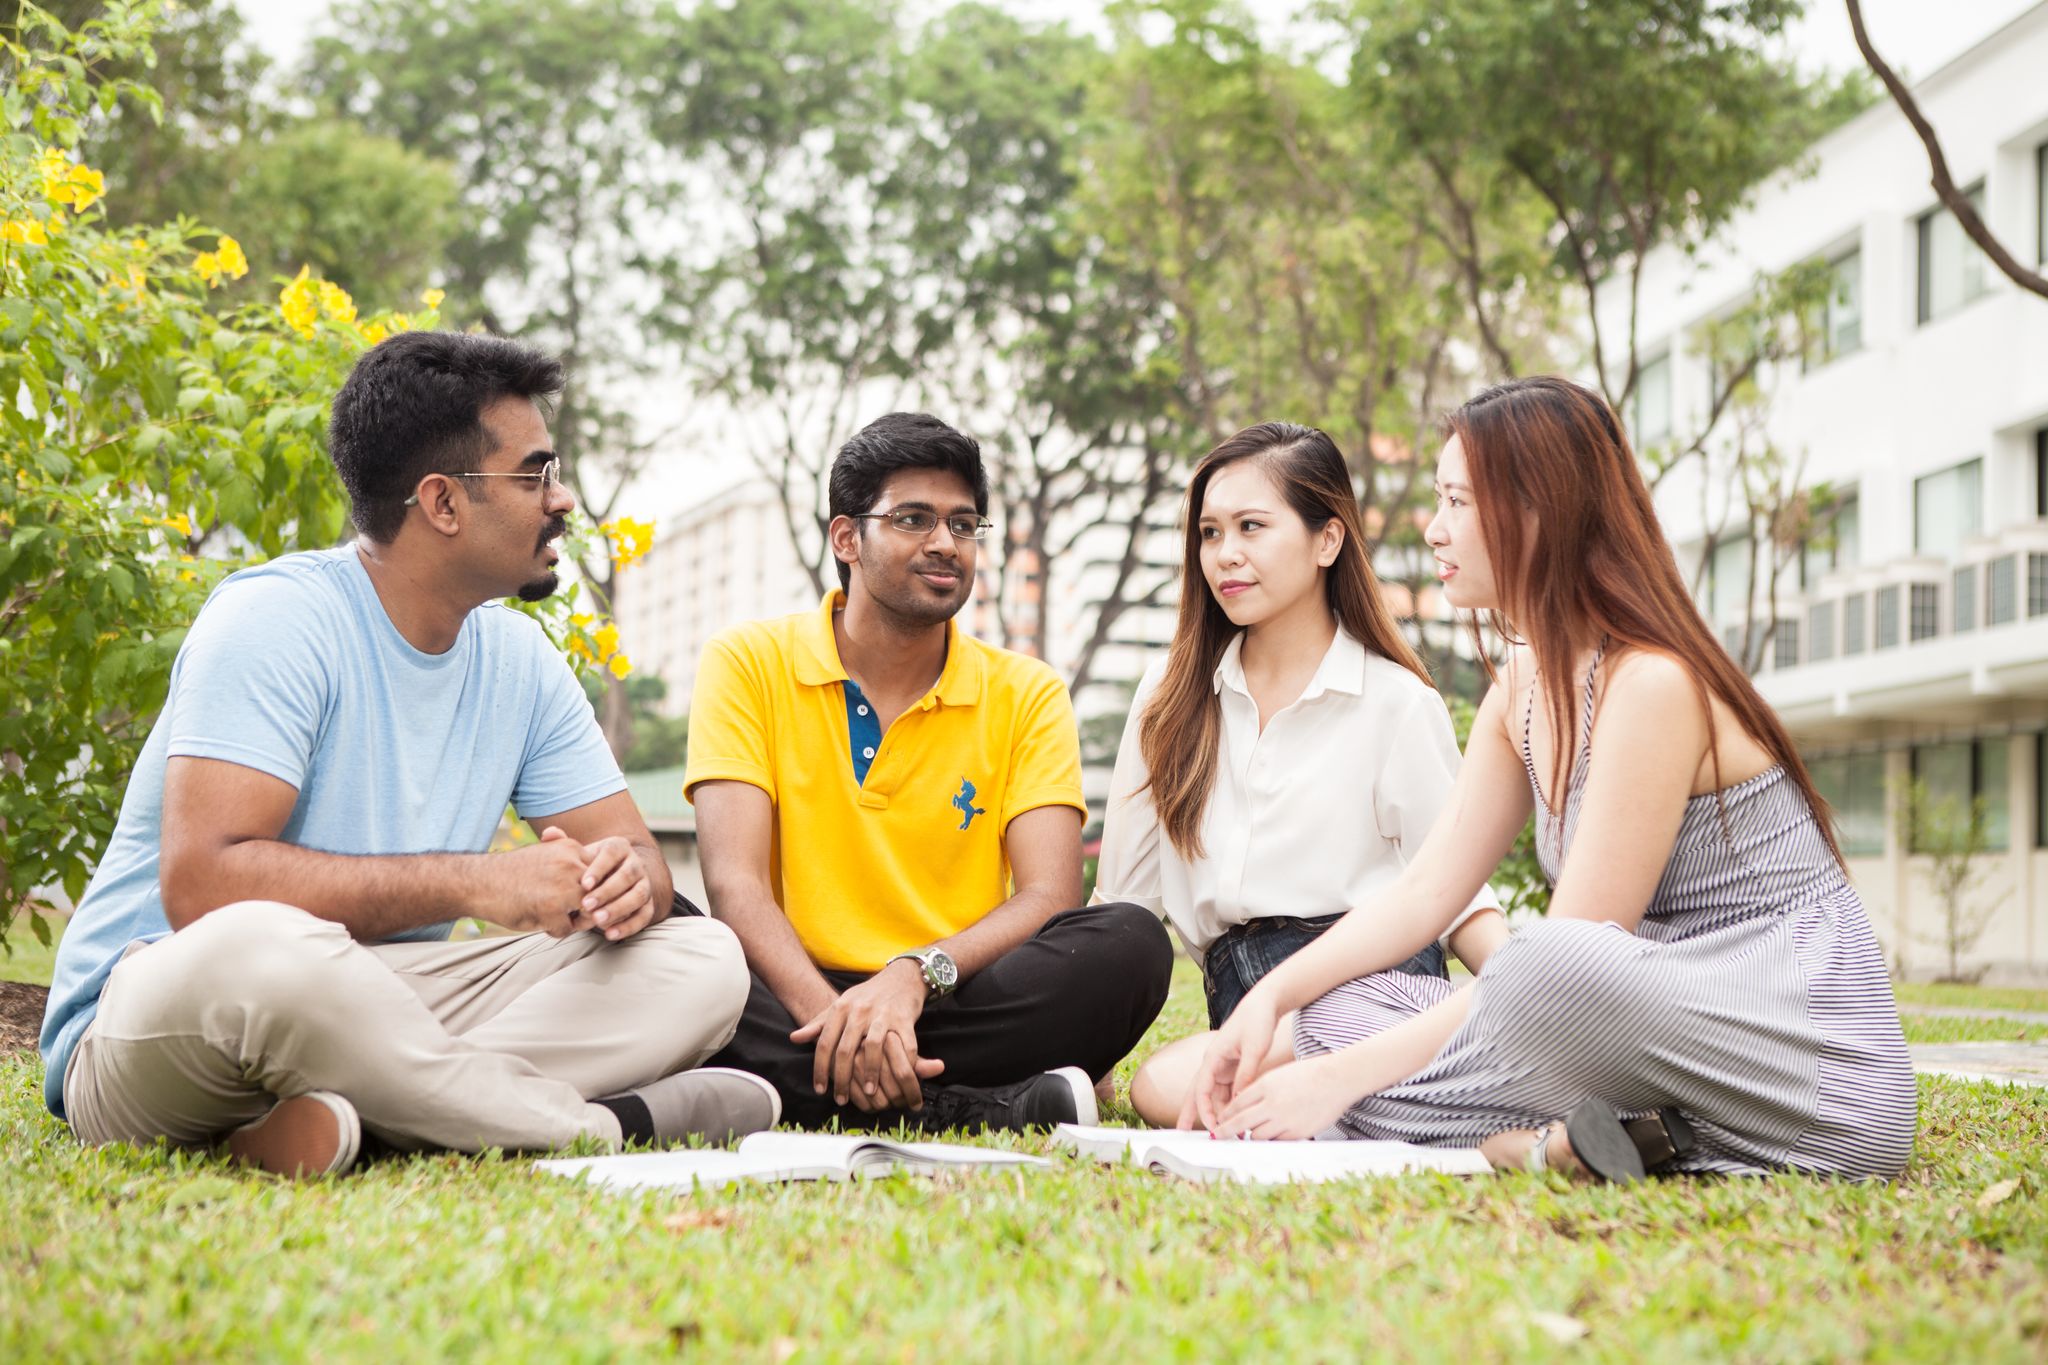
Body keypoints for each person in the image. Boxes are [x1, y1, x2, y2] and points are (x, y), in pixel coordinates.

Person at [39, 332, 770, 1178]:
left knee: (703, 956)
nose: (563, 498)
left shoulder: (521, 662)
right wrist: (479, 882)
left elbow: (641, 856)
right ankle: (600, 1128)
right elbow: (203, 888)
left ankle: (352, 1121)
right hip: (170, 1016)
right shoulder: (275, 619)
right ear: (443, 502)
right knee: (271, 946)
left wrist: (621, 880)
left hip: (380, 1002)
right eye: (536, 474)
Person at [1184, 377, 1917, 1182]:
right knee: (1345, 1006)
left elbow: (1568, 968)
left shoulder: (1652, 684)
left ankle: (1500, 1140)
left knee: (1533, 966)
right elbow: (1426, 893)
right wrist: (1273, 998)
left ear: (1539, 512)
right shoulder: (1521, 688)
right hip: (1651, 1032)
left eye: (1459, 503)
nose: (1435, 530)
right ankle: (1563, 1146)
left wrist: (1334, 1078)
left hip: (1806, 1072)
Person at [685, 412, 1174, 1131]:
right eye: (914, 518)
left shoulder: (1027, 691)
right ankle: (975, 1104)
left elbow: (1047, 895)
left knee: (1129, 942)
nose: (946, 544)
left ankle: (808, 1090)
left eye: (965, 524)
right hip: (792, 994)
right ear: (846, 537)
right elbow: (736, 883)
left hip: (954, 992)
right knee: (670, 939)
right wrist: (841, 1025)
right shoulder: (747, 661)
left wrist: (913, 976)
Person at [1089, 422, 1504, 1127]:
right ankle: (1427, 1107)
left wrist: (1519, 983)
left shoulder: (1396, 701)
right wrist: (1089, 1047)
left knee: (1188, 1090)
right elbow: (1123, 901)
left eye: (1252, 526)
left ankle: (1400, 1090)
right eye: (1211, 532)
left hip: (1379, 988)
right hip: (1245, 1001)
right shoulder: (1169, 698)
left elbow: (1455, 891)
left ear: (1327, 541)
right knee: (1162, 1085)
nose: (1226, 555)